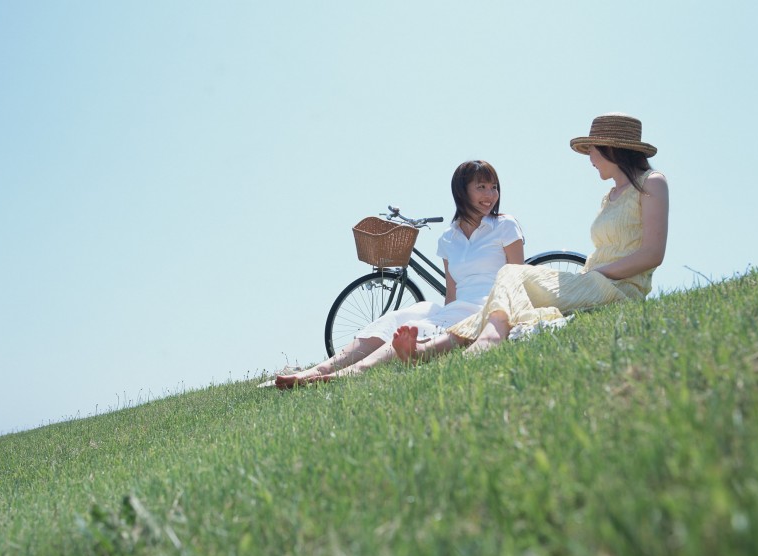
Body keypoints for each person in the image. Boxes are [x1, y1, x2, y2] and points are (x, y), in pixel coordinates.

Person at [392, 113, 669, 361]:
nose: (590, 160)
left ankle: (487, 339)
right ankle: (432, 348)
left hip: (620, 287)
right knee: (511, 286)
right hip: (593, 279)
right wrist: (590, 275)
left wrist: (598, 274)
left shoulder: (652, 182)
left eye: (592, 151)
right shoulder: (608, 197)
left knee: (513, 274)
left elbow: (652, 254)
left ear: (611, 150)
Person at [275, 160, 525, 387]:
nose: (490, 195)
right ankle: (317, 370)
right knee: (396, 318)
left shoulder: (504, 225)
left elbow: (517, 279)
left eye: (494, 187)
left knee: (416, 326)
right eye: (481, 186)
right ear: (462, 191)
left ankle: (354, 372)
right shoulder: (449, 238)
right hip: (459, 305)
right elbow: (451, 293)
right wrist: (446, 316)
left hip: (491, 302)